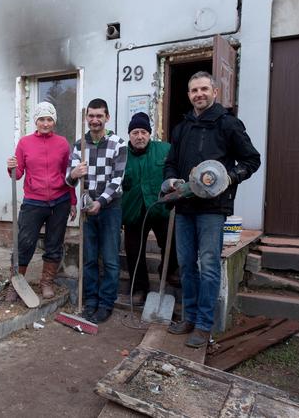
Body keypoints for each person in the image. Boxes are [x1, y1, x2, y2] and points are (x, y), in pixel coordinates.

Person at [164, 71, 260, 348]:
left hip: (212, 209)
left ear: (215, 92)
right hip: (184, 206)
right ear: (189, 95)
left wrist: (229, 178)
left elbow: (252, 159)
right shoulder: (182, 128)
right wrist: (170, 180)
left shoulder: (228, 124)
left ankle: (204, 326)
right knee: (185, 266)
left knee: (207, 266)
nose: (199, 94)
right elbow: (170, 163)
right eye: (194, 90)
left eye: (204, 89)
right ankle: (189, 317)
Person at [6, 102, 77, 301]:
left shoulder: (62, 143)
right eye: (42, 119)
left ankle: (46, 282)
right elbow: (18, 175)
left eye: (49, 119)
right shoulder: (24, 143)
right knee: (24, 243)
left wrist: (72, 200)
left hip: (59, 201)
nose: (45, 123)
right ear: (35, 121)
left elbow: (69, 175)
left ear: (54, 121)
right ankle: (15, 282)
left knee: (54, 244)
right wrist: (11, 167)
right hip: (33, 202)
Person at [66, 98, 127, 324]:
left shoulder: (118, 144)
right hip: (86, 209)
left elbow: (118, 180)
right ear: (86, 118)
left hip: (110, 208)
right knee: (89, 258)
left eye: (99, 116)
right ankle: (90, 301)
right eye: (91, 116)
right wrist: (74, 174)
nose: (95, 120)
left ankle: (105, 303)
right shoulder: (79, 145)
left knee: (110, 259)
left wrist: (100, 202)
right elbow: (68, 179)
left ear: (107, 117)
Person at [120, 112, 179, 306]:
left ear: (149, 134)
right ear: (129, 135)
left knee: (171, 244)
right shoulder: (121, 155)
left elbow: (176, 170)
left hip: (160, 208)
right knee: (134, 251)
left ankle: (167, 271)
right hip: (133, 211)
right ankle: (139, 288)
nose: (139, 136)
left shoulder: (164, 150)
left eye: (143, 132)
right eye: (135, 132)